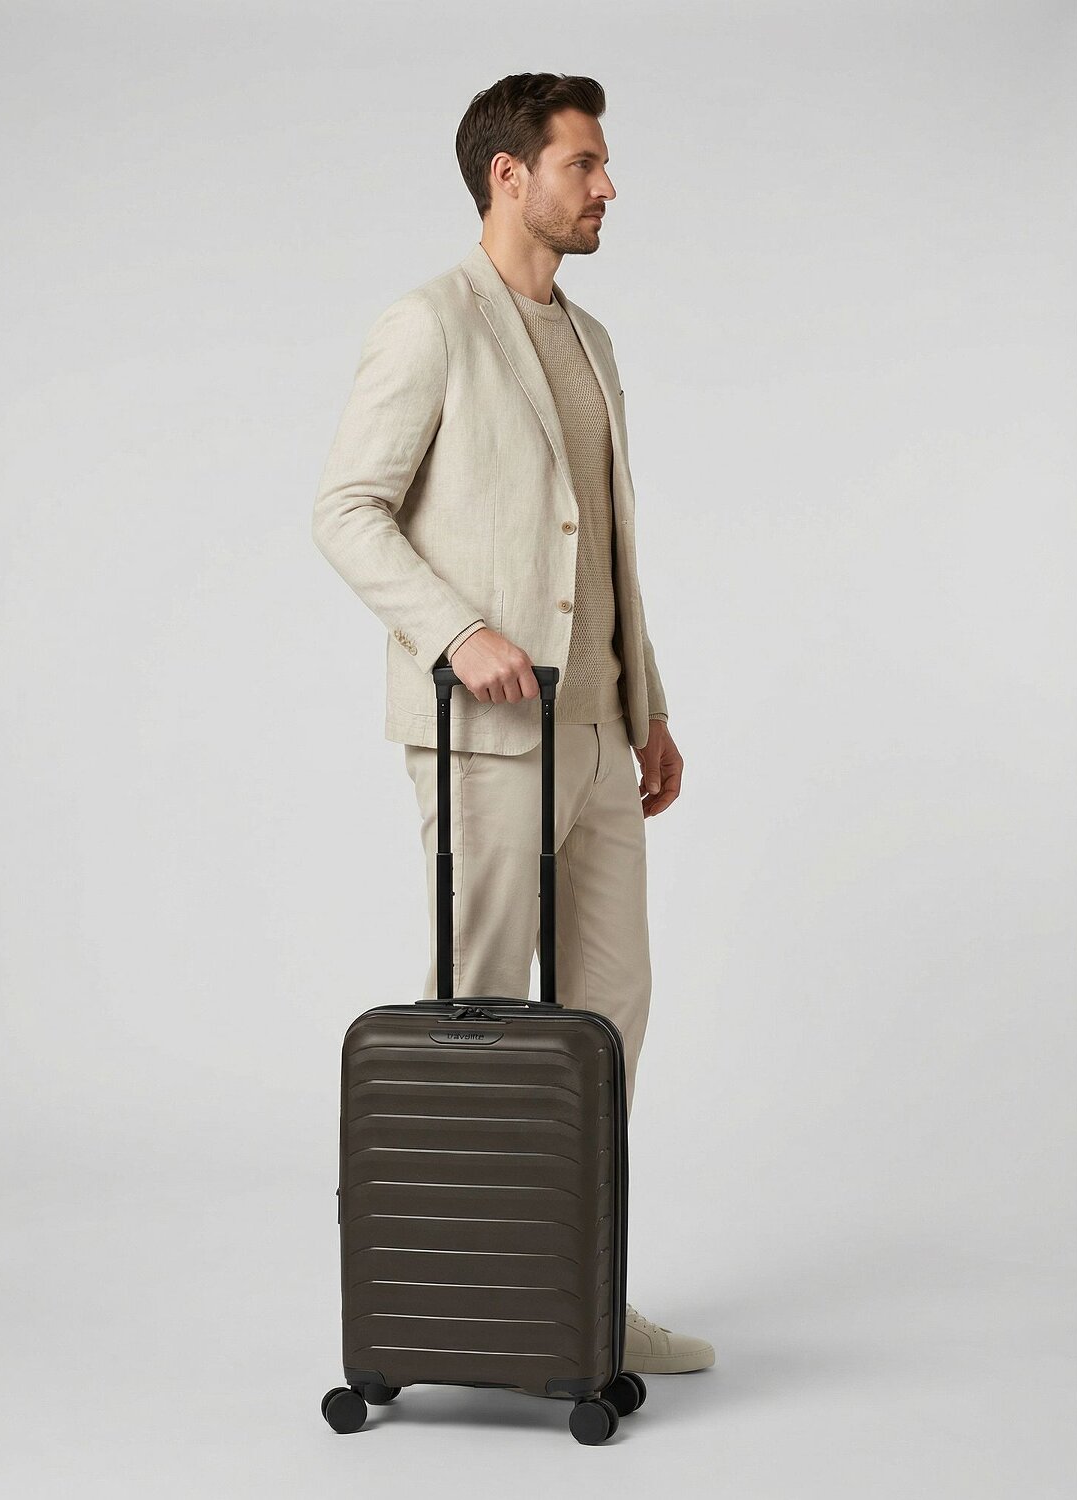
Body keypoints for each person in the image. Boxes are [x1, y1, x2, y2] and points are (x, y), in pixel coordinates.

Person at [311, 72, 712, 1377]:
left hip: (598, 741)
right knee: (478, 1024)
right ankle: (466, 1310)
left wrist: (646, 704)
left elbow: (609, 546)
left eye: (601, 166)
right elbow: (346, 510)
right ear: (509, 174)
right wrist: (455, 629)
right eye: (584, 164)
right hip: (485, 739)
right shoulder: (430, 324)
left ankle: (581, 1297)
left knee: (609, 1016)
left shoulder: (592, 342)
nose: (607, 187)